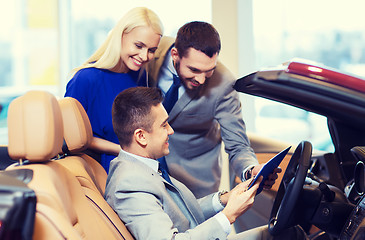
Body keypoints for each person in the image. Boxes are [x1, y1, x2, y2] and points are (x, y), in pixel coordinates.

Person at [105, 86, 307, 240]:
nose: (171, 131)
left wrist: (227, 198)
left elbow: (181, 212)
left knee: (289, 232)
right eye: (164, 125)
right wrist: (228, 216)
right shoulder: (129, 184)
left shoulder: (140, 167)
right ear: (141, 136)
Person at [146, 21, 279, 198]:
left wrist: (251, 169)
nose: (201, 80)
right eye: (194, 69)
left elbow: (237, 144)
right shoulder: (151, 51)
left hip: (195, 181)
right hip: (147, 170)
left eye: (209, 71)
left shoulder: (224, 85)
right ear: (175, 54)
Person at [64, 7, 163, 172]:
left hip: (144, 171)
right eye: (138, 45)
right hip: (103, 173)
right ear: (120, 36)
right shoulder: (86, 79)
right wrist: (124, 150)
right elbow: (71, 138)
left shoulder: (143, 78)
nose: (145, 56)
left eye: (151, 50)